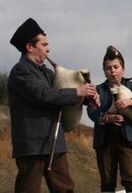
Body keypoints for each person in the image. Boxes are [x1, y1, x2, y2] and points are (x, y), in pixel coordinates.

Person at [7, 18, 99, 193]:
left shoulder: (48, 73)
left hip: (54, 141)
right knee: (28, 190)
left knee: (65, 189)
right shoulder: (20, 71)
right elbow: (43, 95)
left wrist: (88, 96)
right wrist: (77, 92)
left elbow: (63, 91)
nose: (48, 49)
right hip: (32, 145)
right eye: (44, 44)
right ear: (29, 47)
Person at [87, 46, 132, 193]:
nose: (113, 71)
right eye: (108, 68)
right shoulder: (98, 90)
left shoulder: (130, 86)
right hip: (105, 141)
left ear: (123, 69)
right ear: (104, 71)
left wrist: (131, 102)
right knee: (107, 182)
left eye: (116, 67)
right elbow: (91, 110)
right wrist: (106, 118)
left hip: (126, 139)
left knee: (131, 180)